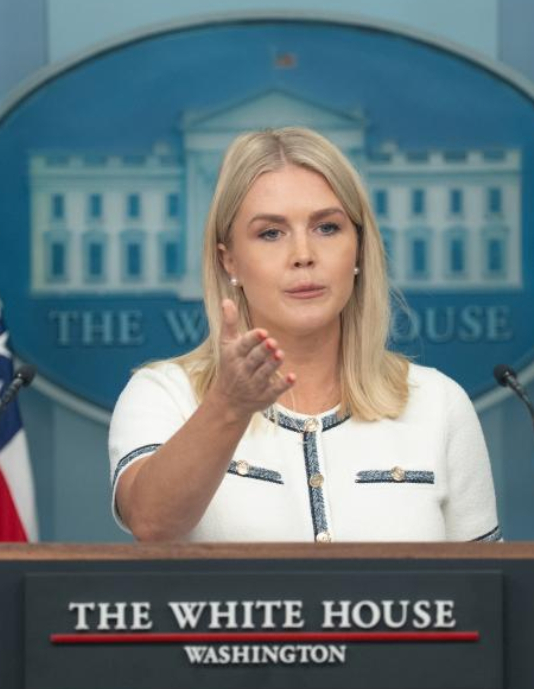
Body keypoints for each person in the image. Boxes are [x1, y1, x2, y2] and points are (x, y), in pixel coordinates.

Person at [108, 127, 500, 543]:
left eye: (327, 228)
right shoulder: (163, 394)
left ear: (359, 249)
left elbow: (485, 596)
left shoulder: (439, 403)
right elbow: (151, 524)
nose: (303, 256)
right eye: (270, 233)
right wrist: (228, 405)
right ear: (230, 262)